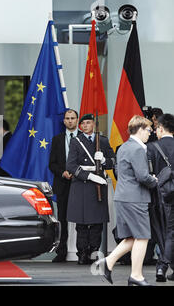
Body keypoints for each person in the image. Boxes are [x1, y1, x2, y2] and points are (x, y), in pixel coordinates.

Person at [96, 115, 158, 286]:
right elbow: (143, 176)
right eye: (148, 130)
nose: (149, 133)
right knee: (143, 236)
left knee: (132, 237)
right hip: (135, 198)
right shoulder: (138, 149)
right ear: (139, 129)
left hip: (123, 197)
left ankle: (107, 263)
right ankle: (136, 276)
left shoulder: (123, 147)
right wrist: (155, 180)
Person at [66, 113, 115, 265]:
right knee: (81, 224)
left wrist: (105, 160)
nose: (85, 125)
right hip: (82, 185)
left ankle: (93, 251)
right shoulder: (76, 142)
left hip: (98, 186)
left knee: (96, 223)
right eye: (83, 123)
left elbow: (113, 161)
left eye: (88, 123)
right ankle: (82, 253)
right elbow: (71, 166)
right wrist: (90, 176)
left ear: (93, 124)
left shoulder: (103, 141)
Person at [49, 109, 80, 262]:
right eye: (67, 118)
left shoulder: (83, 138)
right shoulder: (57, 139)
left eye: (72, 118)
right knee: (62, 218)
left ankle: (83, 251)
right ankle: (61, 251)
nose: (69, 121)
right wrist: (63, 172)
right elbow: (52, 164)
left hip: (80, 183)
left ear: (77, 120)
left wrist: (77, 172)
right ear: (63, 121)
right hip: (62, 183)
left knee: (82, 217)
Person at [147, 113, 174, 282]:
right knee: (171, 232)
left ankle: (162, 267)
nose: (155, 131)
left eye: (156, 128)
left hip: (159, 196)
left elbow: (147, 174)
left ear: (161, 128)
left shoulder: (152, 147)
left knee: (161, 233)